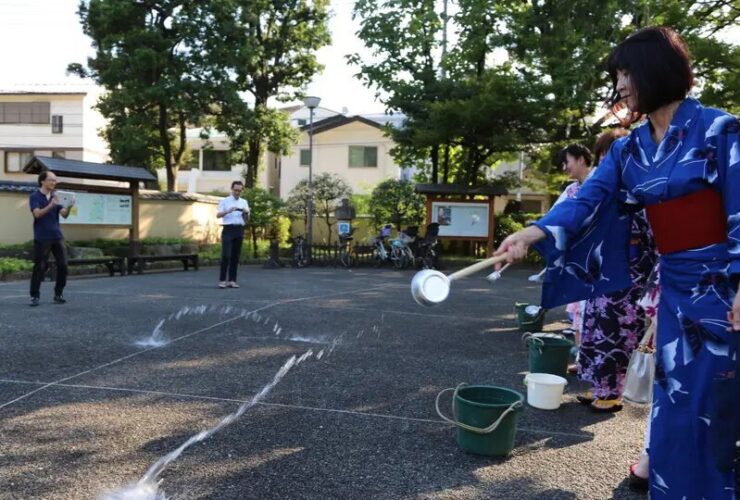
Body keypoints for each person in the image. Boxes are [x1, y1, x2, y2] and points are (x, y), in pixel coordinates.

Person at [496, 27, 739, 498]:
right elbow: (587, 200)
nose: (621, 84)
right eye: (618, 75)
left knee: (713, 402)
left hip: (723, 288)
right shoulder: (629, 149)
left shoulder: (718, 129)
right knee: (672, 402)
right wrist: (534, 232)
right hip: (675, 287)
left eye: (627, 72)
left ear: (656, 70)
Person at [573, 133, 657, 413]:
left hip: (628, 275)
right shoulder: (607, 190)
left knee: (616, 332)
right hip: (603, 273)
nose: (605, 160)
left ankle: (611, 393)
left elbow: (650, 237)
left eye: (610, 154)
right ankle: (599, 386)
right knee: (595, 327)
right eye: (602, 155)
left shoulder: (643, 189)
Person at [29, 170, 75, 306]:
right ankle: (34, 296)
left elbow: (64, 214)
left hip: (57, 235)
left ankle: (58, 294)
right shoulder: (35, 196)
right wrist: (51, 205)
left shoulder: (56, 196)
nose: (54, 182)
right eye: (51, 180)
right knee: (40, 267)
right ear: (42, 181)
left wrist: (69, 206)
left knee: (63, 266)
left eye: (55, 180)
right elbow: (37, 214)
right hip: (42, 236)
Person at [216, 180, 250, 288]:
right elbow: (218, 215)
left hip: (239, 229)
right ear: (232, 189)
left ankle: (232, 280)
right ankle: (222, 280)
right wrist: (228, 211)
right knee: (226, 255)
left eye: (239, 191)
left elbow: (246, 221)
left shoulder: (244, 202)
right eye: (235, 190)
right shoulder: (225, 201)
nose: (237, 192)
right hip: (228, 229)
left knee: (235, 256)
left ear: (242, 191)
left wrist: (246, 213)